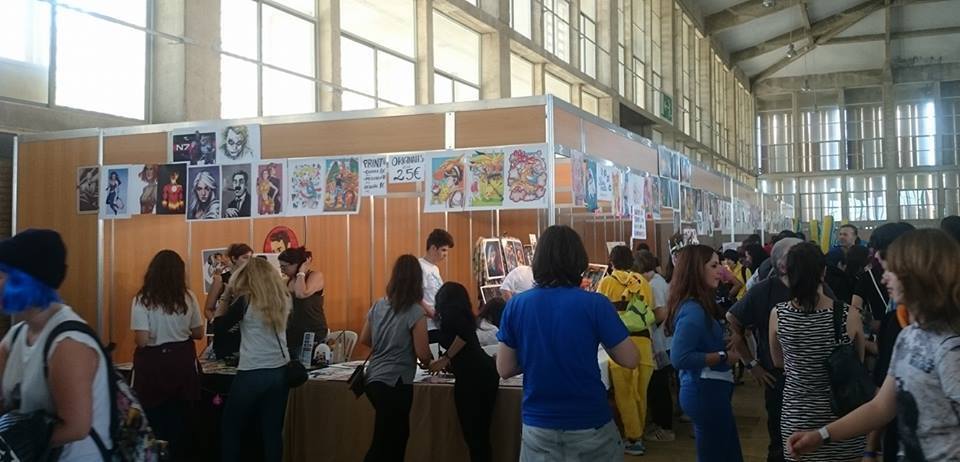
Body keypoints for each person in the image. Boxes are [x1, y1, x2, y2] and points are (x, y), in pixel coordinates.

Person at [787, 228, 960, 461]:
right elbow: (881, 407)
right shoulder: (910, 336)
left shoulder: (949, 349)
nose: (884, 277)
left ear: (919, 276)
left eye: (892, 271)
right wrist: (821, 435)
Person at [496, 225, 639, 461]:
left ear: (538, 261)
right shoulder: (596, 304)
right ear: (579, 260)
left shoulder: (516, 305)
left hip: (538, 425)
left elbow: (504, 368)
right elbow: (630, 359)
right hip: (590, 423)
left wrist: (537, 354)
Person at [0, 229, 113, 460]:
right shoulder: (16, 336)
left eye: (1, 276)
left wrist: (13, 442)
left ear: (25, 282)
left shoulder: (69, 344)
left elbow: (76, 427)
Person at [769, 242, 865, 461]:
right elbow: (857, 361)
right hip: (844, 417)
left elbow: (778, 361)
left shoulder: (778, 314)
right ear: (823, 272)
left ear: (788, 273)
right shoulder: (848, 315)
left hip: (797, 414)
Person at [727, 238, 814, 462]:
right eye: (798, 254)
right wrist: (751, 364)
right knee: (780, 439)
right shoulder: (764, 290)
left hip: (814, 377)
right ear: (783, 264)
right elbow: (733, 319)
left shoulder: (815, 286)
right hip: (778, 377)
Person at [667, 244, 743, 461]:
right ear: (696, 270)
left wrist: (720, 342)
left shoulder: (698, 305)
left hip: (710, 390)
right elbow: (680, 357)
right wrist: (723, 356)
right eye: (714, 266)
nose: (721, 271)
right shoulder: (693, 310)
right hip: (704, 391)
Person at [358, 255, 434, 462]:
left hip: (374, 378)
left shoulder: (378, 305)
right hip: (397, 381)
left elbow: (364, 338)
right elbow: (423, 353)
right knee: (391, 441)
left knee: (387, 436)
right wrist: (431, 362)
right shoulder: (415, 311)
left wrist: (387, 344)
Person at [216, 257, 292, 462]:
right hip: (279, 371)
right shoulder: (284, 299)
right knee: (272, 431)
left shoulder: (246, 300)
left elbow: (219, 326)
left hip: (252, 371)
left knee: (231, 427)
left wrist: (225, 296)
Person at [130, 250, 204, 460]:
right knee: (180, 422)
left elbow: (142, 340)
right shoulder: (189, 297)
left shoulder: (142, 299)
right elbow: (198, 333)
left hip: (153, 367)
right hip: (182, 363)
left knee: (154, 422)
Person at [596, 245, 656, 456]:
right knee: (641, 393)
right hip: (644, 344)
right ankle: (639, 433)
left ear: (611, 262)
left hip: (620, 344)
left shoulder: (606, 282)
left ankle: (633, 437)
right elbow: (649, 311)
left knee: (625, 394)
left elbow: (600, 314)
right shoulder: (643, 282)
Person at [429, 282, 499, 462]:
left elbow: (464, 335)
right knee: (480, 435)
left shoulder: (451, 315)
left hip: (471, 378)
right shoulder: (464, 315)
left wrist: (445, 358)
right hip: (484, 373)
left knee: (474, 436)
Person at [636, 250, 675, 443]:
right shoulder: (657, 282)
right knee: (658, 385)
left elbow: (661, 313)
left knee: (659, 386)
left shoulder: (654, 285)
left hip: (660, 343)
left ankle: (664, 427)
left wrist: (641, 321)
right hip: (661, 341)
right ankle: (661, 423)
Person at [278, 247, 326, 360]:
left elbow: (301, 293)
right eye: (280, 266)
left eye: (285, 266)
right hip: (292, 333)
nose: (282, 270)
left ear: (297, 265)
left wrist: (301, 272)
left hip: (312, 331)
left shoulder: (315, 276)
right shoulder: (287, 281)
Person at [420, 229, 453, 344]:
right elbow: (416, 297)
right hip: (428, 325)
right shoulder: (420, 266)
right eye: (443, 250)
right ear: (433, 248)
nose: (445, 254)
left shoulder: (435, 268)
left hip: (437, 322)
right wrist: (432, 314)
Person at [204, 243, 254, 320]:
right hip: (226, 323)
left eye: (251, 258)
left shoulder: (252, 279)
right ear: (234, 259)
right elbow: (208, 310)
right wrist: (217, 324)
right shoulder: (220, 279)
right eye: (245, 257)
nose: (249, 261)